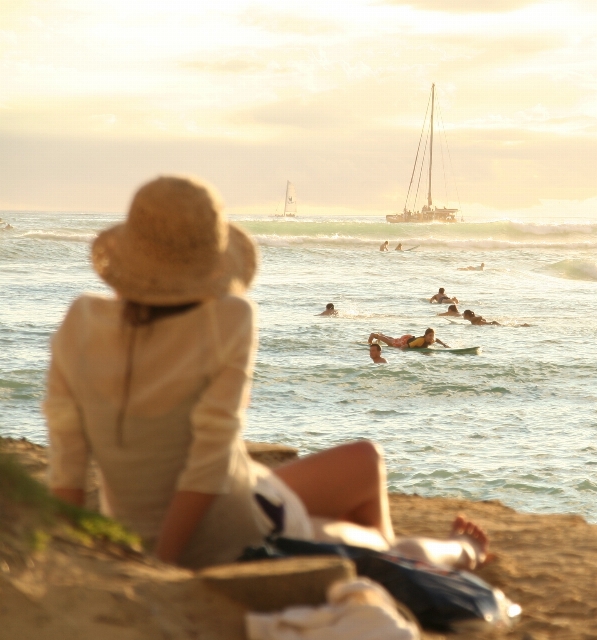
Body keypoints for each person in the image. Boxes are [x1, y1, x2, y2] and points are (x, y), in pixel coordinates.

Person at [44, 176, 487, 571]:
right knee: (376, 539)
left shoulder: (80, 320)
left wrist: (75, 554)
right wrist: (162, 565)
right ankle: (459, 553)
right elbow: (208, 463)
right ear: (210, 260)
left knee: (364, 462)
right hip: (228, 528)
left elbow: (67, 464)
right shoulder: (228, 316)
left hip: (143, 517)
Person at [368, 327, 449, 349]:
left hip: (409, 338)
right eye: (430, 335)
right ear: (425, 335)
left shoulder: (431, 340)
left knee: (394, 340)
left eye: (432, 335)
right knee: (391, 343)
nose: (431, 337)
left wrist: (444, 344)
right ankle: (375, 335)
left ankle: (381, 335)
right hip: (405, 341)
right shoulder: (420, 341)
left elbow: (437, 339)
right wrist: (398, 352)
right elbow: (404, 346)